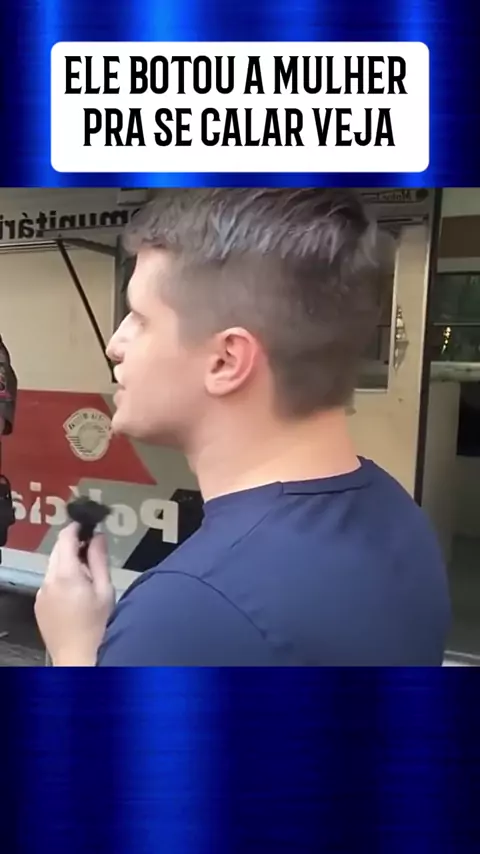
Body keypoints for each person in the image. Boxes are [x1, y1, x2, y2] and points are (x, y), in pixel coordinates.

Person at [34, 188, 451, 667]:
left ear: (227, 360)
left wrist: (75, 649)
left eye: (140, 319)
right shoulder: (398, 515)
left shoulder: (188, 612)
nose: (115, 343)